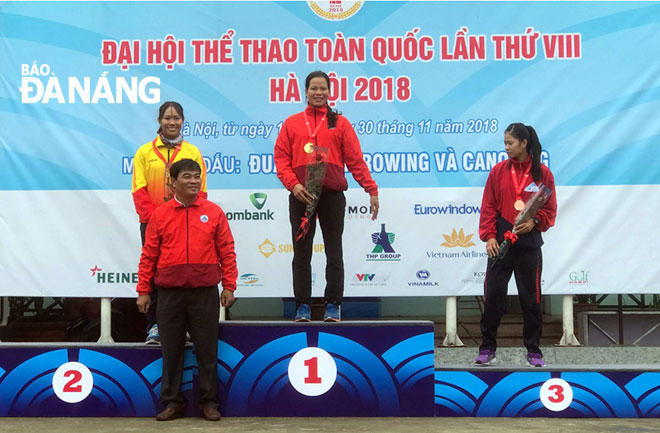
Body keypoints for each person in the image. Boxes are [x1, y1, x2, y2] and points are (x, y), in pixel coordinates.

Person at [274, 70, 379, 322]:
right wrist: (293, 185)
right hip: (302, 197)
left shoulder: (339, 123)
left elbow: (355, 161)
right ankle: (302, 306)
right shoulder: (292, 123)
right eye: (313, 88)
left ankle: (333, 304)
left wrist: (371, 189)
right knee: (301, 253)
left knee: (334, 251)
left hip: (332, 196)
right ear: (305, 91)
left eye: (323, 88)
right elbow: (281, 159)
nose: (318, 93)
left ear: (330, 92)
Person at [136, 159, 237, 421]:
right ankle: (171, 403)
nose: (193, 181)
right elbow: (149, 255)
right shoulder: (160, 214)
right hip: (169, 295)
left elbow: (226, 250)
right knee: (171, 351)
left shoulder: (214, 212)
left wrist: (229, 285)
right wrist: (143, 290)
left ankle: (209, 403)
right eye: (187, 177)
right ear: (172, 182)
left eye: (197, 176)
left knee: (207, 351)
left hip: (204, 293)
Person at [475, 123, 557, 367]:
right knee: (494, 296)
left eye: (510, 143)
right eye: (505, 144)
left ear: (524, 143)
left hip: (529, 241)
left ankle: (534, 351)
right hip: (502, 239)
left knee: (531, 299)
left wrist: (535, 221)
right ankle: (487, 348)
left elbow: (550, 210)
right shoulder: (498, 171)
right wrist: (489, 236)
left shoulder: (543, 174)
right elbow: (489, 206)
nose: (507, 148)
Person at [132, 101, 208, 344]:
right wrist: (157, 218)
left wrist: (187, 216)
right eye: (167, 117)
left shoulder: (192, 152)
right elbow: (139, 189)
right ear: (159, 121)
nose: (172, 122)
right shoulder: (144, 152)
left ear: (183, 122)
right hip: (154, 222)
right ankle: (154, 325)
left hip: (186, 222)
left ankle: (183, 327)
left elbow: (201, 190)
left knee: (183, 272)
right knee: (154, 272)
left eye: (177, 118)